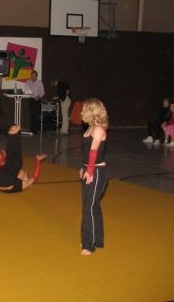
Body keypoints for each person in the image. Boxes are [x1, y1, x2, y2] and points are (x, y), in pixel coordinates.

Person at [79, 98, 109, 255]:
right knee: (93, 205)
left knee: (89, 207)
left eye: (83, 109)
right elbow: (85, 151)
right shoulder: (91, 127)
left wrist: (90, 171)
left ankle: (88, 244)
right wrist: (83, 168)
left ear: (91, 111)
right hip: (89, 168)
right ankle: (97, 240)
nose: (81, 112)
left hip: (96, 171)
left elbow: (93, 151)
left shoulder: (98, 129)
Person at [0, 124, 47, 193]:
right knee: (10, 160)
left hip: (2, 180)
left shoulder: (22, 184)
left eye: (25, 175)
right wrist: (38, 161)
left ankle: (13, 135)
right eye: (25, 173)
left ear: (23, 179)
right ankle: (11, 136)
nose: (23, 172)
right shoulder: (11, 174)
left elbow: (34, 177)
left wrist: (38, 161)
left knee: (17, 162)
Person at [23, 70, 44, 134]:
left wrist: (39, 96)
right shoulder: (28, 81)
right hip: (30, 99)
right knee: (31, 114)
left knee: (35, 115)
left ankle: (35, 130)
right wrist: (25, 91)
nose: (33, 77)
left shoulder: (39, 82)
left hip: (36, 99)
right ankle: (32, 129)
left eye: (34, 76)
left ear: (36, 76)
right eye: (32, 76)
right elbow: (25, 89)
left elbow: (43, 92)